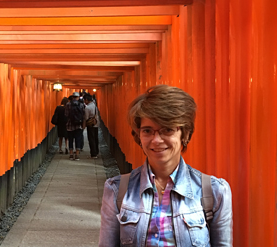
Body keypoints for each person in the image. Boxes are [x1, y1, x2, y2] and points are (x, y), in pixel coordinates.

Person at [99, 85, 233, 246]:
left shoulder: (214, 192)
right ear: (138, 135)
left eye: (167, 130)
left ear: (185, 134)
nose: (156, 140)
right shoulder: (117, 190)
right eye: (148, 131)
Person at [65, 92, 85, 161]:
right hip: (78, 125)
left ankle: (71, 155)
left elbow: (66, 114)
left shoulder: (68, 104)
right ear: (78, 97)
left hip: (70, 125)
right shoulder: (81, 105)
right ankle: (77, 155)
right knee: (78, 140)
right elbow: (83, 115)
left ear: (72, 97)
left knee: (70, 140)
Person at [83, 93, 99, 158]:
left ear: (86, 100)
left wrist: (84, 125)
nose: (84, 102)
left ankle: (93, 153)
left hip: (90, 124)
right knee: (95, 138)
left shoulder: (87, 108)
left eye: (84, 100)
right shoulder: (95, 106)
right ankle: (96, 151)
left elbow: (86, 118)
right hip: (96, 123)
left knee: (91, 138)